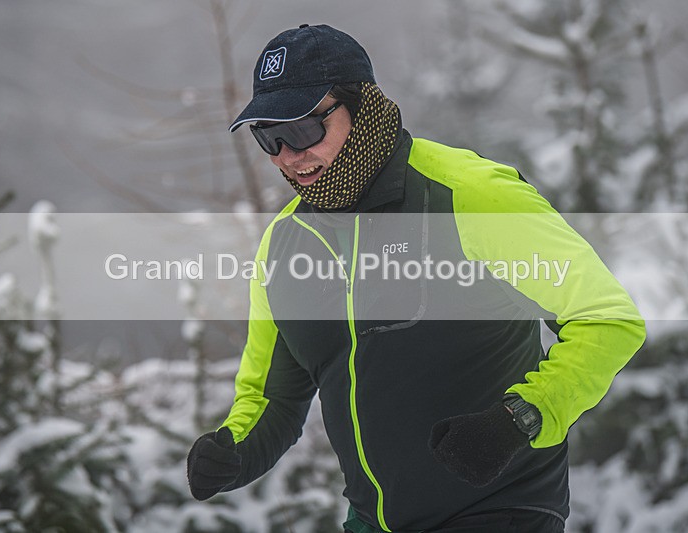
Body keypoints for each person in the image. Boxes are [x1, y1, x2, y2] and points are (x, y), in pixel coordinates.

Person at [187, 24, 645, 533]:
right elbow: (273, 397)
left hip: (500, 510)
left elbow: (608, 321)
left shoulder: (469, 195)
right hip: (370, 522)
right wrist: (232, 452)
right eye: (268, 138)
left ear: (361, 108)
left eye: (301, 130)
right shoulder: (284, 245)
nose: (287, 157)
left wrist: (522, 418)